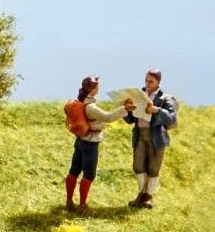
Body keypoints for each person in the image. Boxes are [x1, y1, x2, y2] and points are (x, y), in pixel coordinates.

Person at [65, 76, 134, 213]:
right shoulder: (90, 107)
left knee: (74, 170)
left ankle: (69, 201)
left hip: (80, 140)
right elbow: (108, 117)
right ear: (93, 89)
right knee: (89, 174)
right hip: (90, 143)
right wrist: (124, 109)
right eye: (97, 86)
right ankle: (82, 206)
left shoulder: (81, 101)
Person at [122, 68, 178, 209]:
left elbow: (171, 117)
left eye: (151, 81)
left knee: (153, 167)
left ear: (158, 82)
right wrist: (126, 109)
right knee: (138, 165)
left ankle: (148, 196)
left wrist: (156, 110)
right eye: (146, 80)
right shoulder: (138, 95)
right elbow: (130, 120)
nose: (147, 83)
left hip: (156, 136)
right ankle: (142, 193)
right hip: (140, 134)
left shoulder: (165, 98)